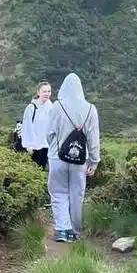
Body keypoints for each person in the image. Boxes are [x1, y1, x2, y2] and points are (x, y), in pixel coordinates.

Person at [45, 73, 100, 243]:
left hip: (57, 157)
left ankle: (62, 229)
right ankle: (74, 232)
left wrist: (54, 147)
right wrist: (94, 161)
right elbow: (93, 138)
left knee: (58, 192)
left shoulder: (57, 106)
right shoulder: (91, 109)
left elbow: (49, 133)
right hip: (80, 161)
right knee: (77, 194)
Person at [19, 81, 54, 169]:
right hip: (33, 146)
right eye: (44, 91)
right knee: (32, 170)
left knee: (42, 170)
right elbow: (27, 127)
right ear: (38, 92)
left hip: (46, 145)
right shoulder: (32, 107)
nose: (47, 94)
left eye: (49, 91)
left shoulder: (51, 106)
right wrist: (29, 145)